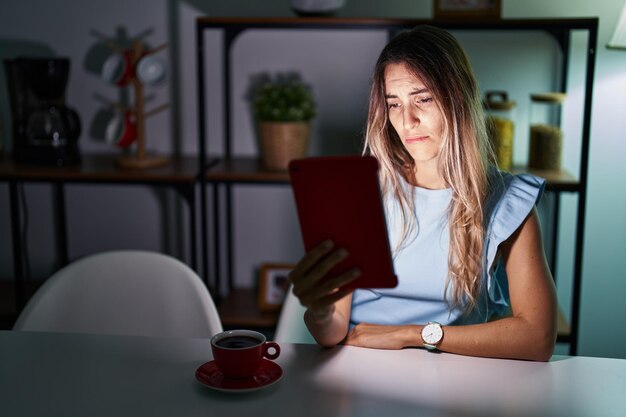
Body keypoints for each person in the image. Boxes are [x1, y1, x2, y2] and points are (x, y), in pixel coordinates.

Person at [288, 25, 557, 361]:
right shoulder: (361, 194)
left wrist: (410, 336)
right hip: (358, 369)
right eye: (394, 104)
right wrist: (319, 310)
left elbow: (537, 338)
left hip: (452, 377)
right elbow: (334, 330)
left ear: (458, 97)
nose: (407, 120)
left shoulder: (507, 200)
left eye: (423, 99)